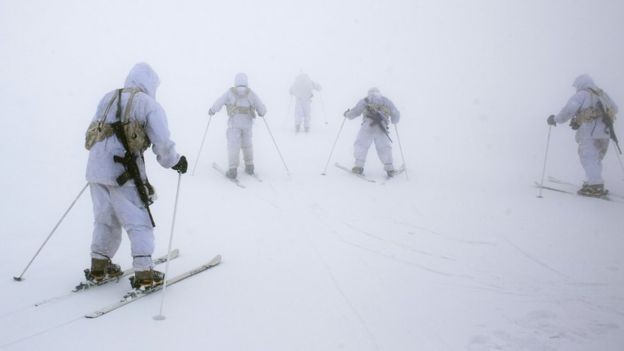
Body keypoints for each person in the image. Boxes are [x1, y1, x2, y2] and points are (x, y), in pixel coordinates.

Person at [84, 62, 187, 289]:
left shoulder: (108, 98)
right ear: (150, 83)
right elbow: (162, 143)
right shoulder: (149, 104)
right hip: (124, 171)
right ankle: (144, 275)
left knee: (105, 218)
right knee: (138, 221)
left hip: (95, 169)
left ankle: (99, 266)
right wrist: (175, 161)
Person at [547, 74, 618, 197]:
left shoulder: (582, 94)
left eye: (576, 86)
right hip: (605, 133)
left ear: (581, 84)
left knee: (588, 158)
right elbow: (615, 108)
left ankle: (595, 186)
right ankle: (593, 181)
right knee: (595, 159)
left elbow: (569, 110)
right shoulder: (602, 94)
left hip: (590, 132)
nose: (576, 89)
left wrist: (556, 119)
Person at [208, 73, 267, 179]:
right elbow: (260, 105)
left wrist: (212, 110)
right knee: (247, 144)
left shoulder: (230, 93)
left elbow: (219, 101)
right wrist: (262, 112)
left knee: (233, 146)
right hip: (247, 123)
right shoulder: (250, 93)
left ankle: (233, 169)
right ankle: (249, 165)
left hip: (234, 124)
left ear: (236, 82)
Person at [344, 87, 400, 177]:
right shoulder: (386, 101)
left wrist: (347, 114)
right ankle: (390, 168)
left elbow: (355, 111)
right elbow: (395, 113)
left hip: (368, 125)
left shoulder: (366, 100)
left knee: (361, 145)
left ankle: (358, 166)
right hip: (381, 127)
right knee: (384, 147)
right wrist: (395, 120)